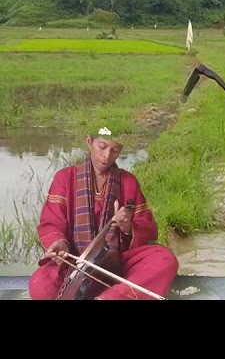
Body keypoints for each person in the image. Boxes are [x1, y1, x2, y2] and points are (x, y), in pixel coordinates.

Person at [29, 127, 179, 300]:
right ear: (89, 141)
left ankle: (108, 298)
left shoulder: (128, 181)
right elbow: (51, 222)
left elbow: (149, 230)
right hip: (74, 264)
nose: (107, 156)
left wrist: (128, 226)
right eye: (102, 146)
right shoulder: (65, 178)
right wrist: (59, 243)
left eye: (115, 150)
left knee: (164, 259)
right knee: (40, 284)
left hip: (118, 263)